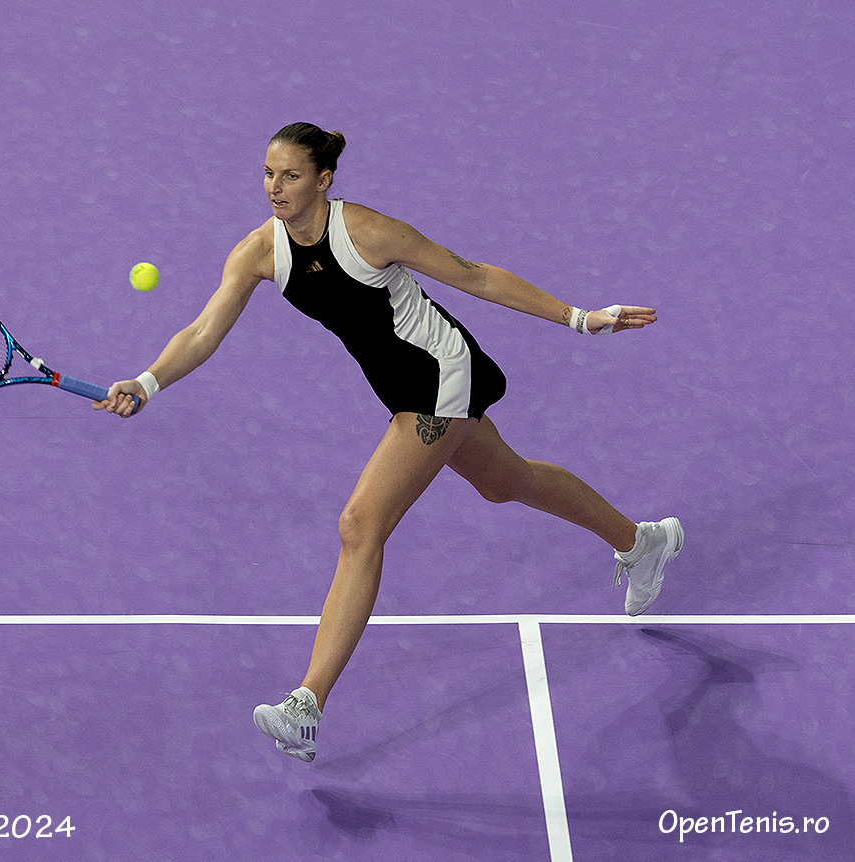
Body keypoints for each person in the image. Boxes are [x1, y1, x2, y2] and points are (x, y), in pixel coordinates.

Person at [95, 122, 683, 762]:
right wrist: (148, 382)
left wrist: (579, 318)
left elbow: (475, 276)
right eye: (268, 173)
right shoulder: (258, 252)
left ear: (323, 180)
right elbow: (204, 329)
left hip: (439, 373)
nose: (274, 187)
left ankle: (306, 705)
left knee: (360, 524)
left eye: (291, 176)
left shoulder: (369, 232)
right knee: (505, 482)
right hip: (399, 386)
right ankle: (642, 542)